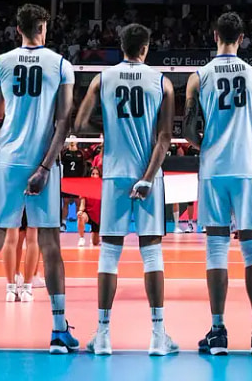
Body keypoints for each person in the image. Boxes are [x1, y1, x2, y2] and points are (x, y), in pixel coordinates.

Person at [0, 4, 78, 354]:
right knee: (51, 247)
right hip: (43, 161)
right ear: (44, 27)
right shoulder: (60, 64)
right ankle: (58, 330)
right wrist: (44, 166)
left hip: (8, 159)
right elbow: (64, 121)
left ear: (17, 29)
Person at [70, 22, 177, 357]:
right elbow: (164, 139)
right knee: (152, 253)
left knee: (109, 254)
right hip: (148, 174)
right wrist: (147, 177)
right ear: (146, 48)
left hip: (114, 173)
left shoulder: (103, 78)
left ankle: (102, 335)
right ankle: (158, 335)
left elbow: (78, 124)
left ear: (121, 46)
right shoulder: (162, 82)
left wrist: (110, 129)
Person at [184, 11, 252, 356]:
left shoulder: (199, 76)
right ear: (242, 38)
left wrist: (207, 144)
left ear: (214, 36)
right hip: (245, 167)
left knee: (215, 248)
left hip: (213, 167)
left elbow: (186, 129)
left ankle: (217, 330)